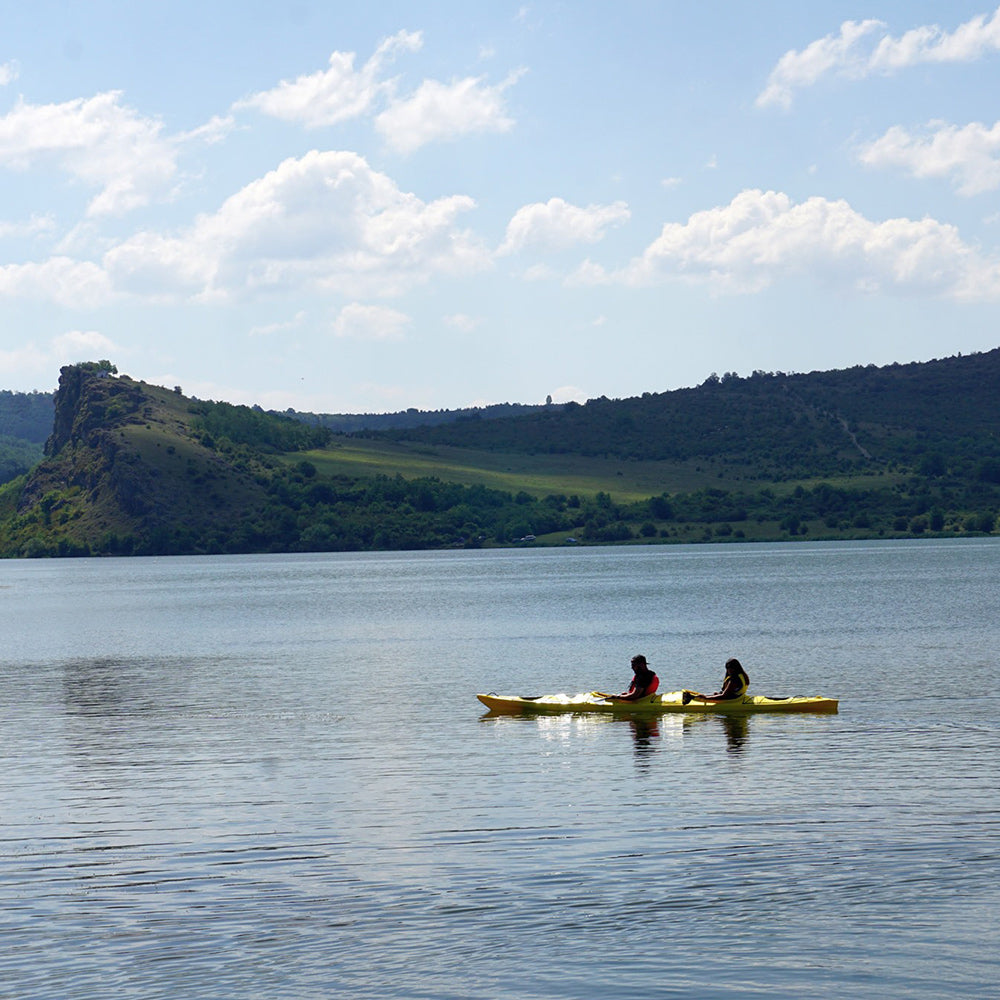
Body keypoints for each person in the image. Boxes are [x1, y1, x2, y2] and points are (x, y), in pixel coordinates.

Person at [683, 657, 749, 704]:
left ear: (736, 668)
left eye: (730, 668)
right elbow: (727, 693)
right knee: (712, 695)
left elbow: (724, 696)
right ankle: (694, 696)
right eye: (727, 668)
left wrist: (705, 698)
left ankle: (692, 697)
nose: (729, 670)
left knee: (705, 697)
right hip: (739, 697)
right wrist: (717, 694)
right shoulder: (742, 675)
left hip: (732, 700)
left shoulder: (734, 679)